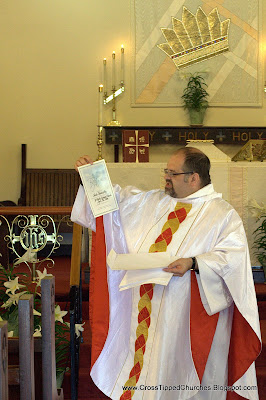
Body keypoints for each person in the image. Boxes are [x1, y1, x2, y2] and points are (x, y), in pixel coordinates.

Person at [71, 147, 261, 400]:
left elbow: (232, 260)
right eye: (166, 171)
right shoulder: (152, 201)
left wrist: (194, 263)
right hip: (146, 306)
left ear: (193, 178)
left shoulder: (221, 214)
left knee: (181, 374)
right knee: (149, 366)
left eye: (172, 173)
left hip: (185, 315)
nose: (166, 178)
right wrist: (92, 177)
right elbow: (114, 206)